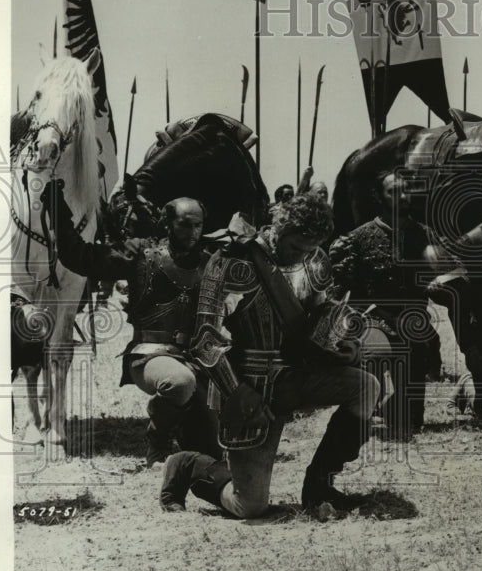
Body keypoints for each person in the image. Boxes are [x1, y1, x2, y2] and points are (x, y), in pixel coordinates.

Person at [159, 193, 380, 517]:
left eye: (309, 248)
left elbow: (319, 313)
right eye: (294, 247)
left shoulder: (315, 258)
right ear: (278, 229)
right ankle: (187, 465)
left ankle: (319, 485)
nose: (302, 255)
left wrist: (340, 340)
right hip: (252, 388)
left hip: (299, 376)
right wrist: (238, 394)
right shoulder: (231, 261)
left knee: (366, 386)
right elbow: (205, 342)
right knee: (249, 506)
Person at [42, 183, 222, 466]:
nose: (193, 233)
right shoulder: (141, 254)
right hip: (151, 356)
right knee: (179, 382)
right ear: (167, 223)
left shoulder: (211, 261)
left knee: (211, 456)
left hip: (197, 361)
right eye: (185, 225)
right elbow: (81, 256)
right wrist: (58, 209)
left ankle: (180, 422)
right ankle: (157, 439)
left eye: (198, 225)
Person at [329, 169, 441, 437]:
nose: (402, 196)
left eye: (405, 190)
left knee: (408, 423)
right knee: (377, 353)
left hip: (412, 320)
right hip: (372, 319)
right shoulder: (357, 239)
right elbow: (340, 291)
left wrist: (440, 283)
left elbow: (445, 278)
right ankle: (366, 404)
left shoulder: (425, 236)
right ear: (378, 197)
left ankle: (397, 408)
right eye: (394, 191)